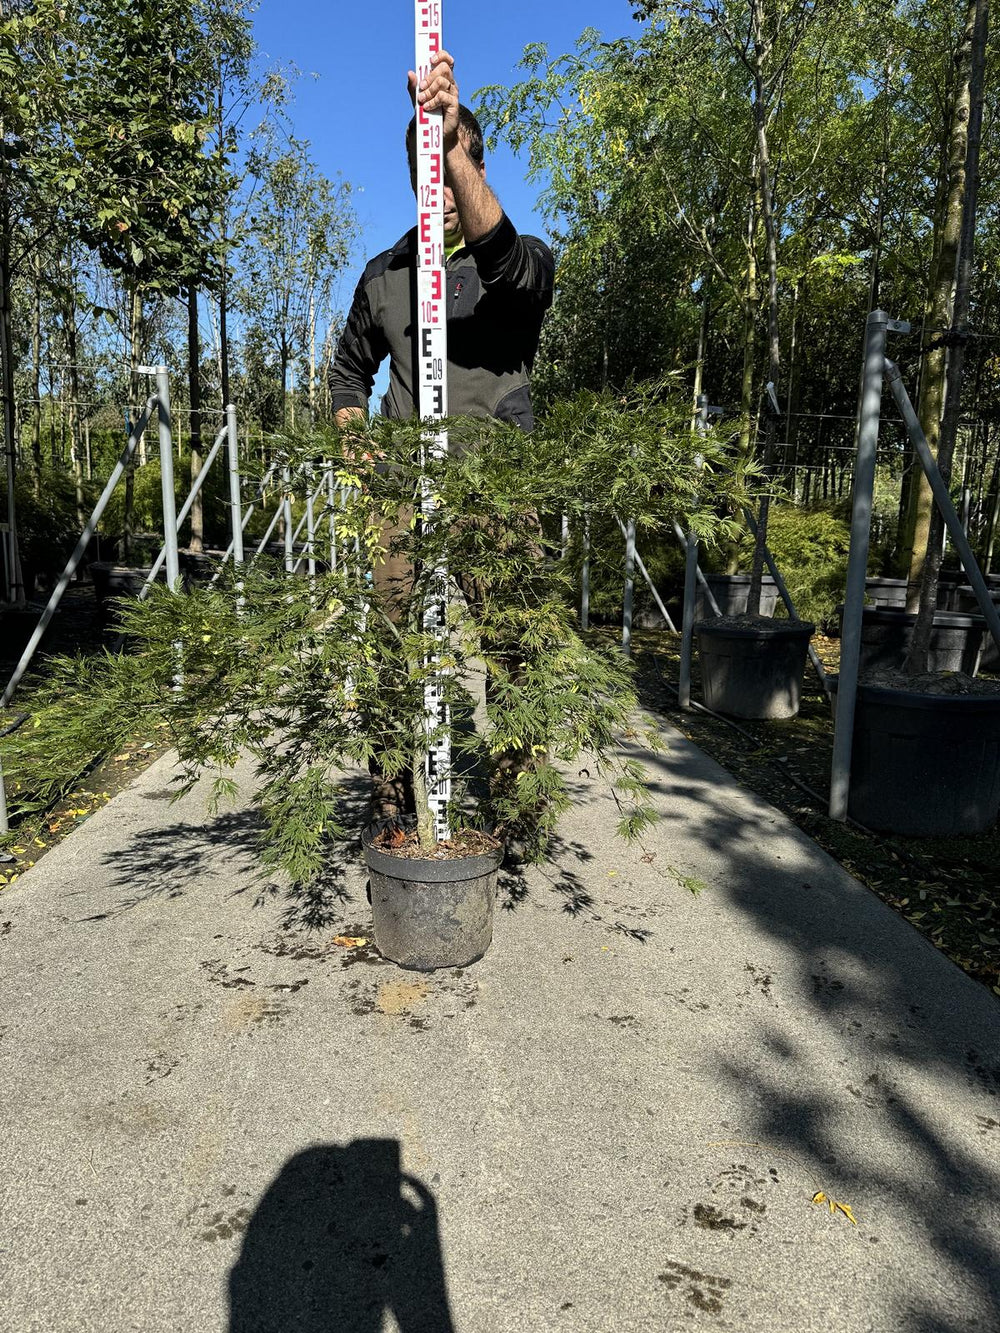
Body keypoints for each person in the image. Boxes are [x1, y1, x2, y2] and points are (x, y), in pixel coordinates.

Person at [329, 51, 554, 827]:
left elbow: (508, 259)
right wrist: (354, 434)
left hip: (497, 492)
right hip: (403, 495)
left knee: (515, 650)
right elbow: (348, 372)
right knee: (393, 648)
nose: (442, 191)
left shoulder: (516, 263)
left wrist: (453, 143)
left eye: (453, 167)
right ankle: (391, 800)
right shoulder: (385, 273)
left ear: (474, 163)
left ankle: (519, 807)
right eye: (426, 170)